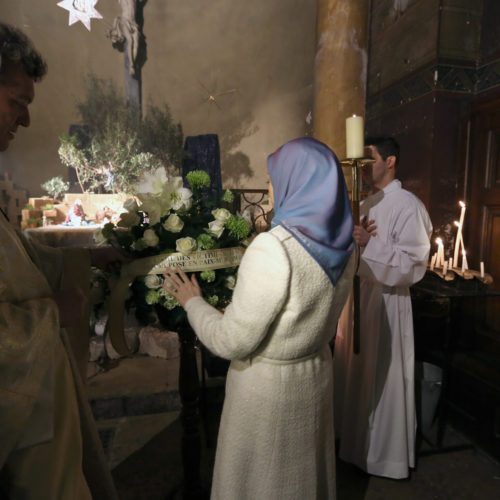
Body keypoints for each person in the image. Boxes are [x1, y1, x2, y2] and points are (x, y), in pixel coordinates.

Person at [164, 137, 356, 499]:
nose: (269, 188)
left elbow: (232, 341)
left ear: (294, 182)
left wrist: (193, 303)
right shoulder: (348, 246)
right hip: (314, 374)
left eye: (273, 178)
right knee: (303, 481)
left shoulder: (274, 247)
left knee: (266, 483)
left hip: (269, 390)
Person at [0, 23, 122, 499]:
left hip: (36, 405)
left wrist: (88, 259)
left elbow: (21, 262)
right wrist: (52, 313)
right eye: (16, 101)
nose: (25, 120)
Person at [334, 136, 433, 479]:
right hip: (359, 296)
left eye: (369, 159)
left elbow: (413, 265)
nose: (363, 168)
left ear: (390, 161)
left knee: (382, 378)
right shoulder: (365, 202)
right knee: (354, 372)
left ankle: (380, 456)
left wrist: (369, 243)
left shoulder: (408, 205)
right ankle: (352, 444)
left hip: (387, 301)